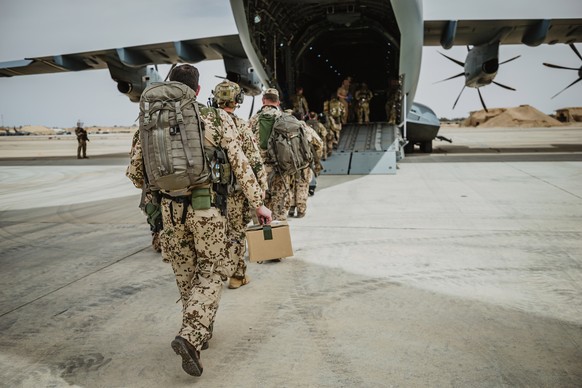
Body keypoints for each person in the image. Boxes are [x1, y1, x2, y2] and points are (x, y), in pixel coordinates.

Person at [126, 64, 272, 377]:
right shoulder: (216, 118)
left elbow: (136, 175)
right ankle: (191, 335)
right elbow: (241, 163)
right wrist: (259, 204)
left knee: (185, 272)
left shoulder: (149, 122)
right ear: (197, 90)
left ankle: (199, 333)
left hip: (169, 210)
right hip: (207, 209)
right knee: (213, 270)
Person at [211, 79, 268, 289]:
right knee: (235, 233)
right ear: (238, 100)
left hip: (207, 192)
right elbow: (253, 160)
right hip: (233, 193)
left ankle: (213, 275)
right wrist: (260, 192)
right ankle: (237, 275)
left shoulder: (205, 122)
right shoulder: (239, 125)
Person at [246, 88, 292, 222]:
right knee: (280, 210)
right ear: (277, 102)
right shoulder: (284, 118)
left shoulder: (253, 119)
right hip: (280, 169)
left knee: (260, 210)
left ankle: (263, 240)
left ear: (263, 101)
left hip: (259, 171)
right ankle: (280, 239)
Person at [287, 112, 323, 218]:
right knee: (302, 185)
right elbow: (319, 143)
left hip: (290, 163)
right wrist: (316, 158)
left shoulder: (287, 128)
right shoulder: (307, 129)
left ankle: (291, 208)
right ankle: (301, 210)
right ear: (303, 118)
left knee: (291, 185)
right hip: (304, 163)